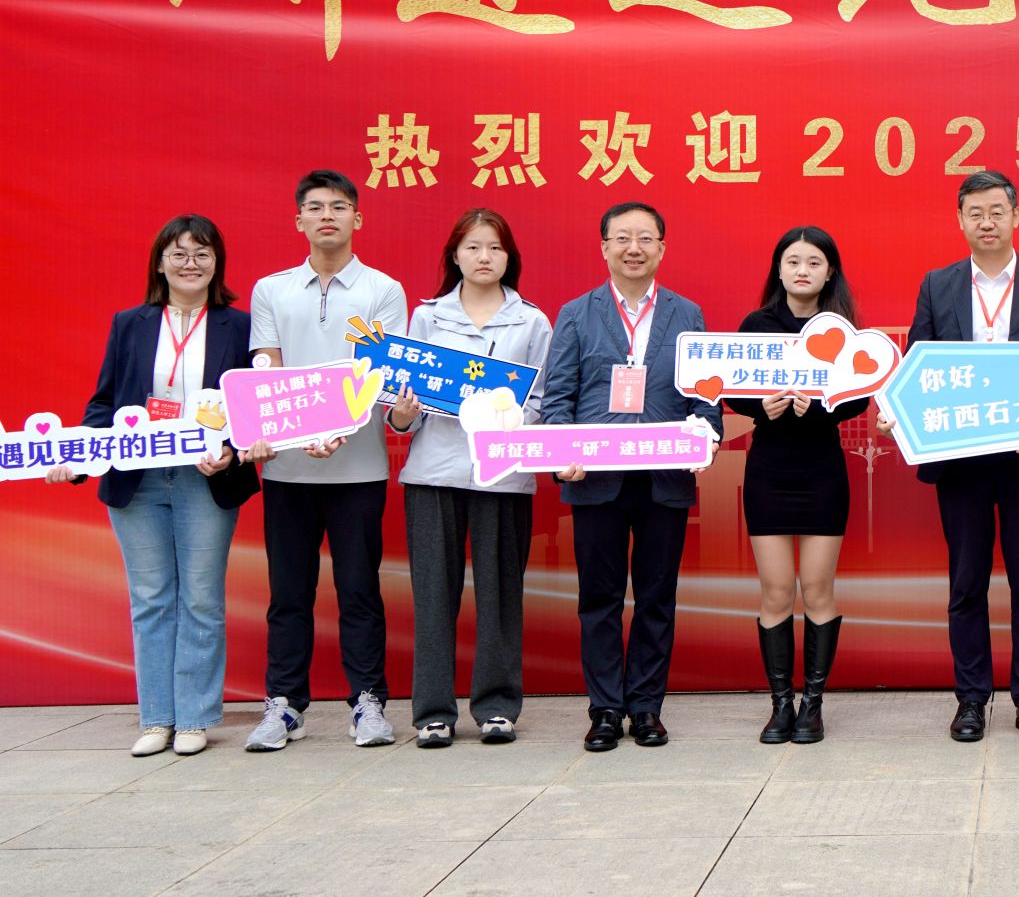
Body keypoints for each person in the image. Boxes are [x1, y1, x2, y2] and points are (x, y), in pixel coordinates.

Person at [48, 216, 258, 757]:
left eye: (203, 254)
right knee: (150, 599)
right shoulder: (130, 323)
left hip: (204, 479)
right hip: (136, 479)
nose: (191, 264)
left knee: (202, 599)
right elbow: (105, 402)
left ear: (217, 263)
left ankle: (194, 719)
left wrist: (232, 450)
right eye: (179, 253)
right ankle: (157, 719)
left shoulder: (239, 326)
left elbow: (252, 406)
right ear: (160, 263)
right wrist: (76, 456)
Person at [541, 201, 721, 753]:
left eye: (645, 238)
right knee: (598, 598)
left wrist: (707, 437)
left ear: (662, 248)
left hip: (664, 479)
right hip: (595, 478)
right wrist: (560, 452)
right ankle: (603, 709)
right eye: (622, 238)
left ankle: (645, 707)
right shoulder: (576, 313)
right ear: (604, 248)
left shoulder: (688, 314)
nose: (634, 248)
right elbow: (558, 397)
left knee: (656, 597)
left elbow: (706, 396)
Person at [903, 171, 1019, 742]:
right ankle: (971, 699)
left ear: (1016, 216)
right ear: (960, 220)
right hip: (962, 462)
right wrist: (903, 411)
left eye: (997, 211)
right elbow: (918, 366)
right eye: (975, 212)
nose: (987, 222)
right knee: (966, 586)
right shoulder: (938, 285)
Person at [243, 171, 408, 752]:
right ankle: (284, 705)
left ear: (357, 218)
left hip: (358, 467)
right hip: (287, 469)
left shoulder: (383, 290)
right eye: (315, 207)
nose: (327, 216)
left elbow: (380, 373)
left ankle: (368, 702)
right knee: (289, 593)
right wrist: (281, 430)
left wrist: (339, 429)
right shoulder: (272, 289)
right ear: (299, 221)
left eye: (339, 206)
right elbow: (267, 368)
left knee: (359, 589)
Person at [387, 209, 553, 748]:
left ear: (510, 258)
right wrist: (402, 413)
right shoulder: (427, 317)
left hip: (501, 476)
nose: (484, 257)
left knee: (501, 594)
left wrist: (507, 419)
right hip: (434, 473)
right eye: (474, 247)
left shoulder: (532, 322)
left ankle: (497, 706)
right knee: (433, 595)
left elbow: (543, 401)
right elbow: (400, 405)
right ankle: (433, 712)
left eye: (495, 248)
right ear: (454, 256)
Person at [728, 227, 865, 745]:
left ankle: (813, 705)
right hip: (769, 471)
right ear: (778, 270)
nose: (802, 270)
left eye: (813, 262)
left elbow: (858, 400)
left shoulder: (842, 330)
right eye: (792, 261)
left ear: (830, 272)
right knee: (777, 591)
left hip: (822, 473)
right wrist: (760, 405)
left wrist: (821, 407)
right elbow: (732, 390)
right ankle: (780, 705)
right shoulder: (757, 325)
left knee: (817, 589)